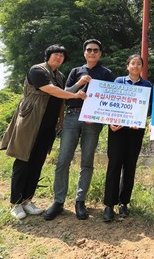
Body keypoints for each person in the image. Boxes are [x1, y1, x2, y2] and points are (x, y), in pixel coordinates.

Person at [0, 44, 86, 220]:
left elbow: (61, 96)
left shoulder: (59, 75)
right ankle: (15, 203)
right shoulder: (37, 70)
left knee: (37, 161)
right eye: (56, 55)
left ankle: (27, 200)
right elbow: (51, 90)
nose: (59, 58)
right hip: (30, 121)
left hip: (48, 125)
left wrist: (61, 119)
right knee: (23, 160)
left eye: (62, 56)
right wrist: (76, 95)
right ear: (48, 56)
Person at [43, 39, 115, 221]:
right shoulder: (76, 71)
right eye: (89, 50)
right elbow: (64, 93)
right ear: (84, 53)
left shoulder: (106, 73)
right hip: (73, 115)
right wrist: (79, 85)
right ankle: (58, 201)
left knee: (87, 161)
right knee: (63, 160)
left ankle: (80, 201)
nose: (92, 53)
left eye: (96, 50)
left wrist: (103, 118)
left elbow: (111, 98)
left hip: (94, 121)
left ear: (100, 53)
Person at [102, 54, 152, 222]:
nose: (136, 66)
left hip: (135, 131)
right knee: (114, 165)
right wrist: (110, 122)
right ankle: (109, 205)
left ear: (142, 67)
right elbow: (111, 103)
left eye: (139, 64)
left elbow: (149, 108)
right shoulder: (119, 82)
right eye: (133, 63)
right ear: (128, 66)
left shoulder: (147, 85)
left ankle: (124, 203)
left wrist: (141, 120)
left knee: (130, 166)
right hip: (117, 130)